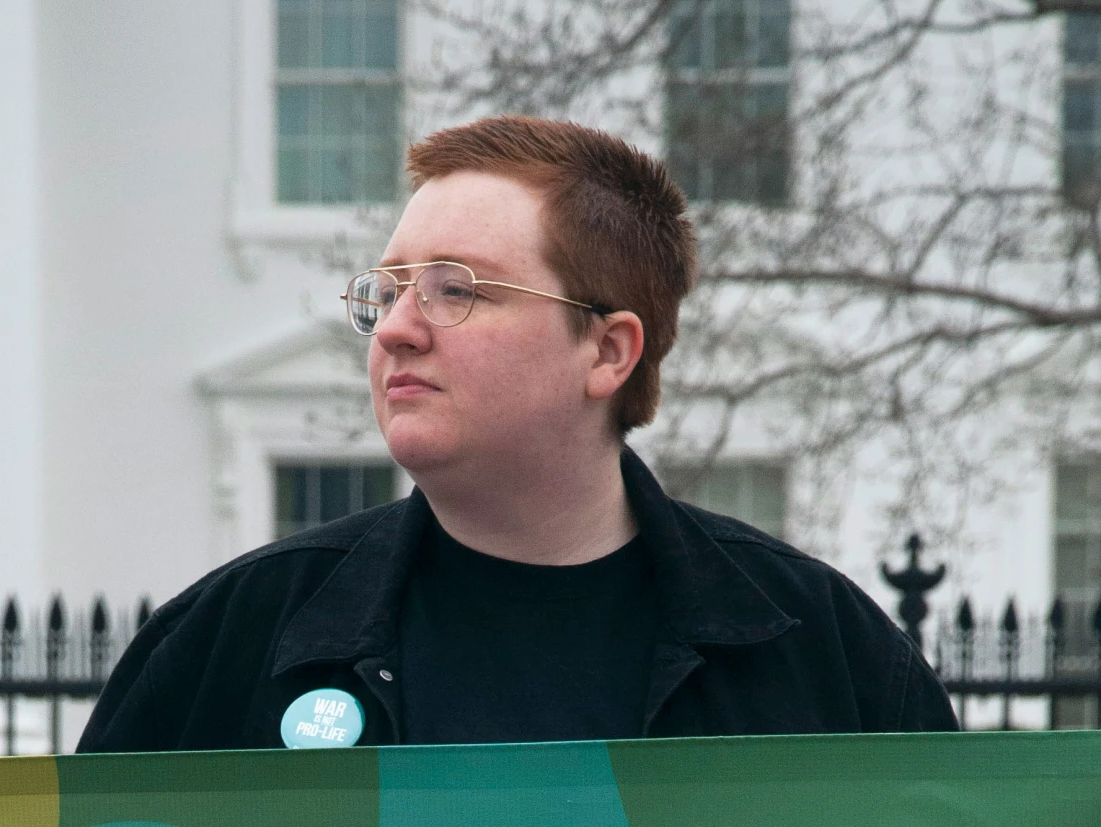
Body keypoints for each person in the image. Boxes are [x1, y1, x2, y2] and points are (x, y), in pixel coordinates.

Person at [79, 115, 956, 753]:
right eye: (388, 290)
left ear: (608, 351)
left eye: (456, 289)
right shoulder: (229, 644)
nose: (395, 329)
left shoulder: (823, 658)